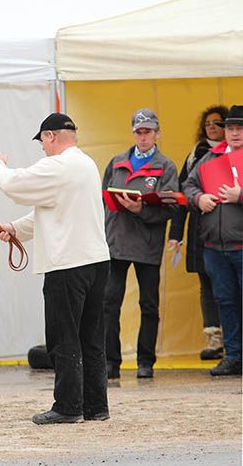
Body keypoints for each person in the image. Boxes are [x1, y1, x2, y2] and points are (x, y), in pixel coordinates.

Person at [0, 112, 111, 425]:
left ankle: (68, 407)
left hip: (67, 266)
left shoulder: (58, 166)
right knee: (91, 337)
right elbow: (49, 212)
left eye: (42, 140)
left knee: (63, 336)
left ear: (51, 136)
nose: (42, 147)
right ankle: (96, 406)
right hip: (96, 263)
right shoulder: (86, 165)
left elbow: (12, 185)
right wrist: (14, 229)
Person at [102, 108, 179, 380]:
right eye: (139, 132)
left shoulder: (166, 166)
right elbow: (103, 198)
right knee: (109, 303)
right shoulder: (117, 161)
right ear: (133, 133)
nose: (143, 136)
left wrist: (141, 210)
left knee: (148, 304)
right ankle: (110, 362)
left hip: (147, 243)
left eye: (148, 131)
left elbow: (172, 206)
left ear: (157, 133)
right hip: (117, 241)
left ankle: (146, 362)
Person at [183, 104, 243, 376]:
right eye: (230, 128)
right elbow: (188, 185)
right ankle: (233, 356)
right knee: (225, 301)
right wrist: (199, 198)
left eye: (239, 128)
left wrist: (240, 196)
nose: (234, 133)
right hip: (214, 246)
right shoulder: (210, 157)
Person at [168, 105, 228, 360]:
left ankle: (234, 340)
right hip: (201, 229)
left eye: (217, 122)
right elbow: (182, 195)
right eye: (208, 123)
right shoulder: (196, 156)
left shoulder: (234, 153)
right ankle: (214, 339)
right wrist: (176, 233)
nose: (212, 127)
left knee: (232, 285)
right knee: (207, 284)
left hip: (232, 230)